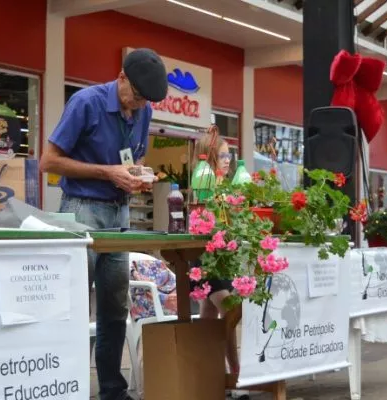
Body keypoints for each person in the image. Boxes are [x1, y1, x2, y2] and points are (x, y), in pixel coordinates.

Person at [40, 48, 167, 400]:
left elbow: (136, 156)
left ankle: (112, 390)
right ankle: (66, 386)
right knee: (75, 305)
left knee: (115, 306)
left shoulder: (144, 110)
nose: (139, 105)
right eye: (136, 96)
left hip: (119, 212)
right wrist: (107, 172)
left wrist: (139, 175)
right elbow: (48, 162)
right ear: (121, 77)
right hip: (82, 210)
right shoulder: (86, 103)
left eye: (146, 101)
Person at [192, 125, 241, 375]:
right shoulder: (205, 183)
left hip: (219, 256)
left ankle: (207, 374)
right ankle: (235, 372)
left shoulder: (225, 185)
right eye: (222, 155)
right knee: (230, 310)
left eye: (229, 155)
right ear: (210, 158)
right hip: (207, 256)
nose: (227, 160)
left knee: (210, 317)